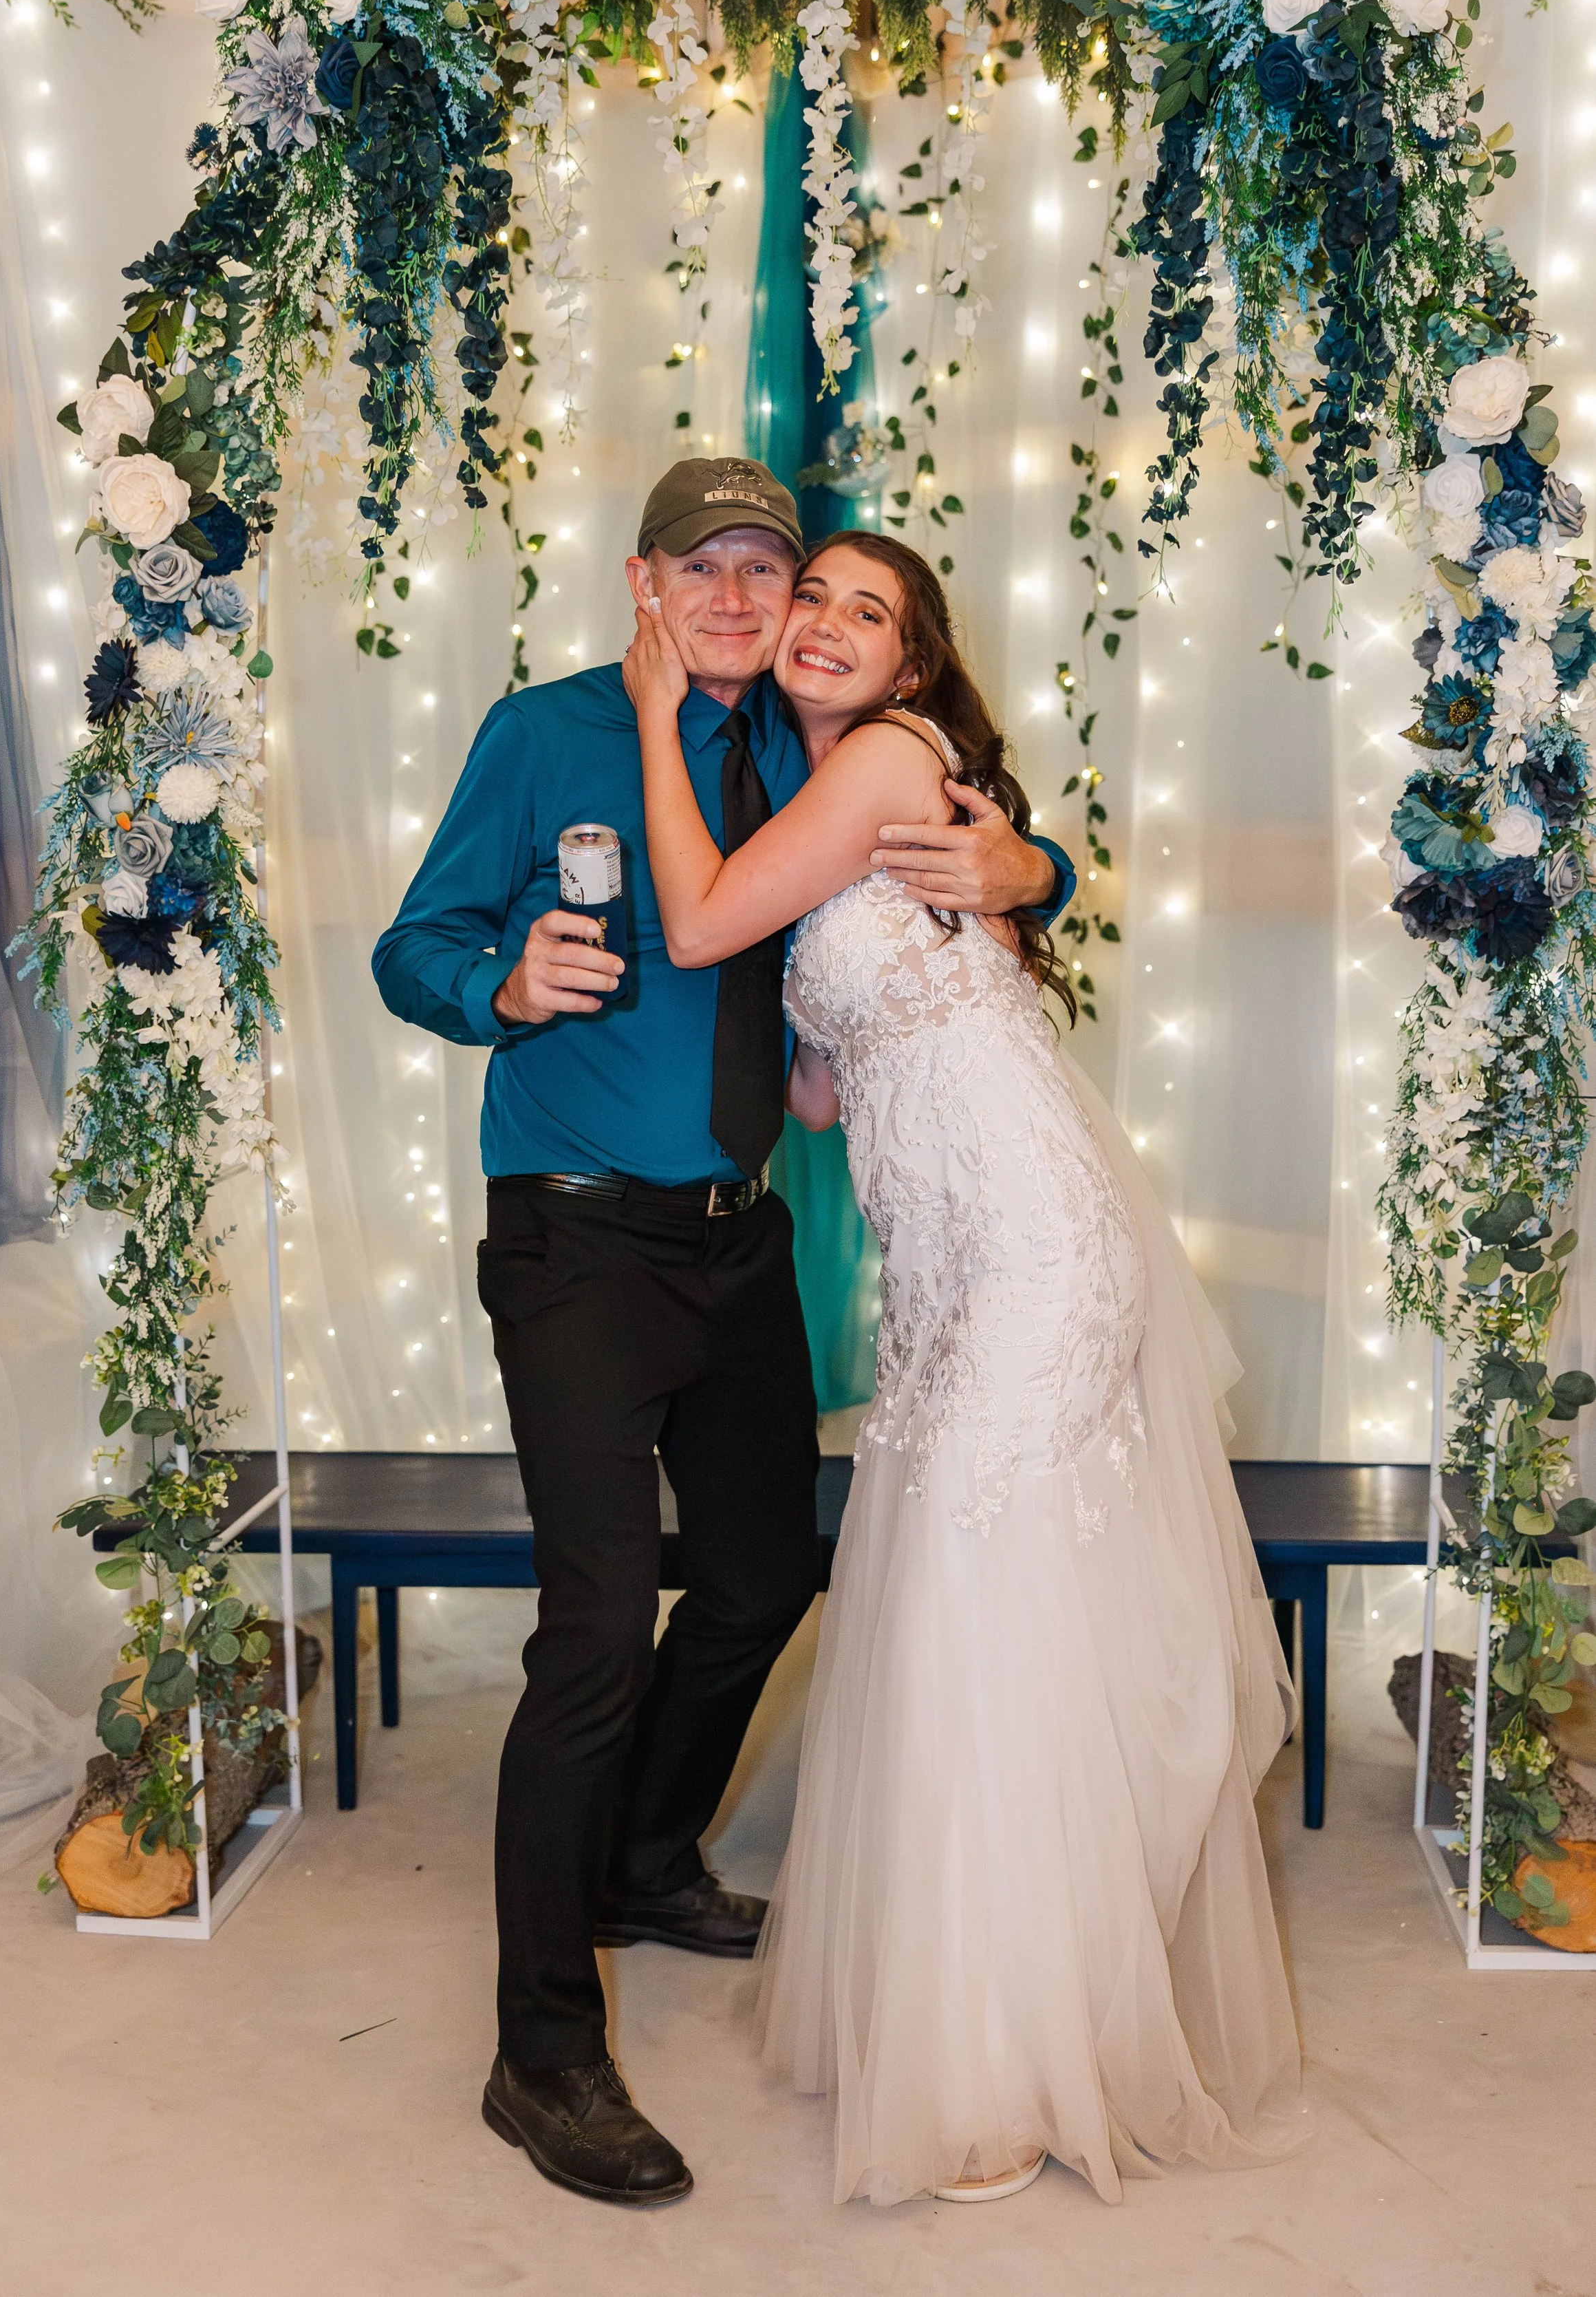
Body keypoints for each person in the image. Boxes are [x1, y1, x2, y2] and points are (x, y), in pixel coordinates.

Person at [371, 459, 1073, 2208]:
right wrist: (497, 984)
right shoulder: (543, 734)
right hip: (579, 1245)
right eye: (713, 568)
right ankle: (541, 2054)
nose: (748, 600)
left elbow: (960, 860)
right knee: (600, 1627)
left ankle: (648, 1860)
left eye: (771, 571)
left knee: (765, 1576)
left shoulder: (804, 750)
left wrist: (1034, 863)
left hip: (738, 1245)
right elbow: (413, 943)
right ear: (645, 582)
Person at [623, 527, 1308, 2208]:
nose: (834, 627)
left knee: (984, 1612)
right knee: (960, 1612)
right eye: (819, 602)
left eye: (877, 612)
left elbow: (704, 918)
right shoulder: (843, 806)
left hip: (1032, 1247)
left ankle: (1014, 2062)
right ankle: (976, 2011)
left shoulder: (881, 763)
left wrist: (651, 715)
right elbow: (819, 1095)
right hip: (947, 1268)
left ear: (913, 672)